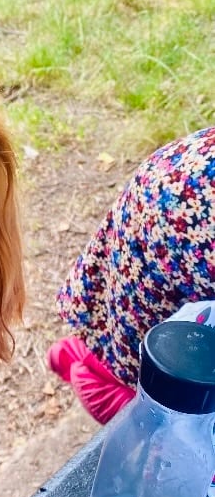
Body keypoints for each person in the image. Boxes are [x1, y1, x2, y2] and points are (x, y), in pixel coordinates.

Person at [48, 126, 215, 425]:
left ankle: (72, 356)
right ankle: (81, 366)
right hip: (132, 379)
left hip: (163, 200)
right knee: (154, 423)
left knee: (102, 344)